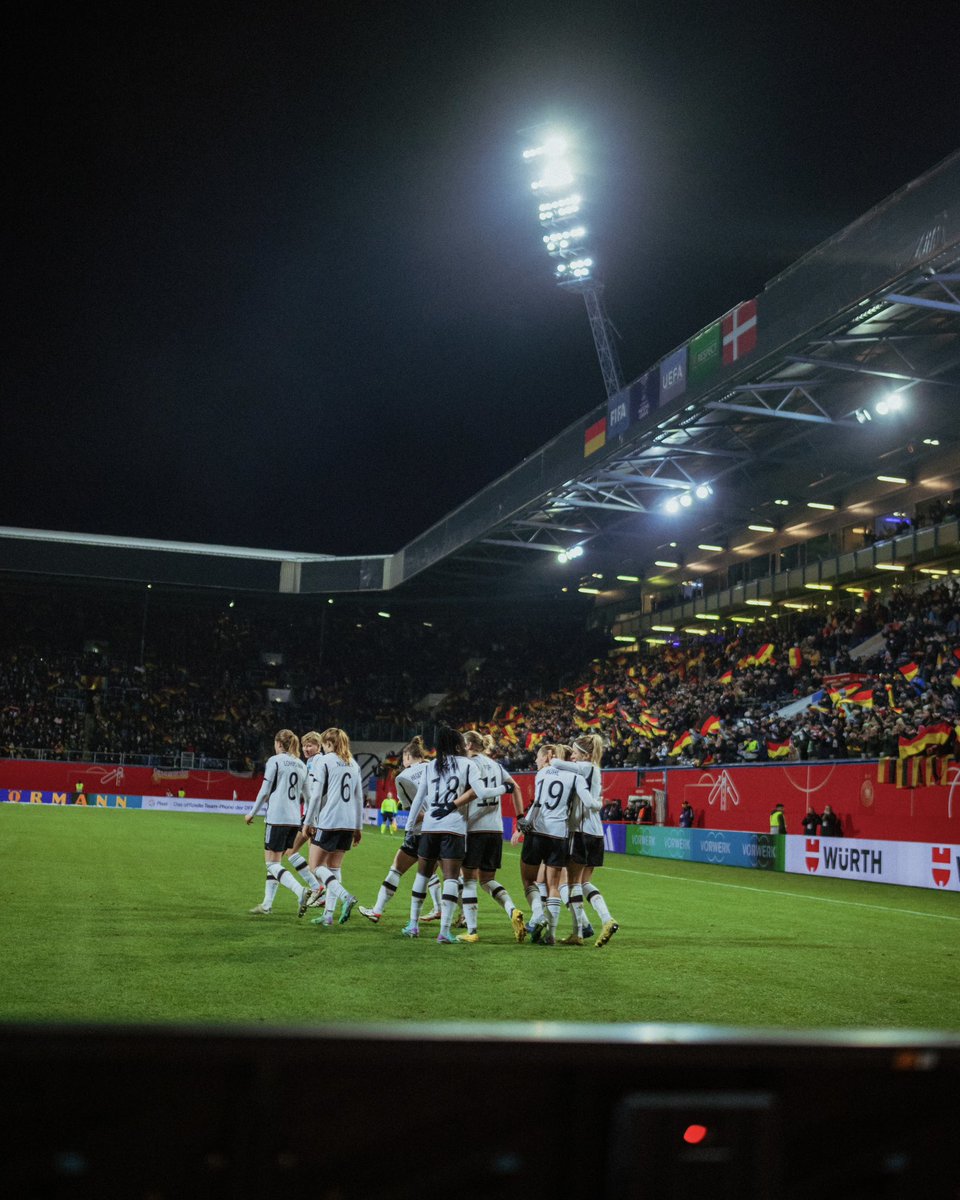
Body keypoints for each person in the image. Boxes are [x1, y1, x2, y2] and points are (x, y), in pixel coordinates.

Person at [401, 726, 510, 945]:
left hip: (431, 827)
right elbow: (481, 792)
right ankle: (444, 931)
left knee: (422, 876)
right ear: (458, 744)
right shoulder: (467, 764)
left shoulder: (430, 766)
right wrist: (504, 789)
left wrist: (409, 829)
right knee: (451, 877)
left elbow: (417, 801)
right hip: (454, 827)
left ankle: (413, 925)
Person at [518, 743, 598, 947]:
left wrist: (521, 827)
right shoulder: (577, 777)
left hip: (537, 830)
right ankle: (551, 935)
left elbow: (537, 803)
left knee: (530, 880)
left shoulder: (543, 773)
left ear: (551, 756)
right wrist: (599, 803)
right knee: (555, 885)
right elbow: (588, 803)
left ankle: (538, 915)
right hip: (559, 834)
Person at [359, 736, 443, 924]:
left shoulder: (403, 777)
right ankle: (451, 912)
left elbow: (408, 807)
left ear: (407, 756)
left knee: (397, 868)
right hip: (443, 829)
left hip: (421, 831)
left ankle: (378, 910)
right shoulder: (435, 767)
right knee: (441, 873)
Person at [548, 733, 619, 948]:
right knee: (584, 882)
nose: (573, 757)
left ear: (585, 754)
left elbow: (555, 762)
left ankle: (578, 932)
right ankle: (606, 919)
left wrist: (556, 758)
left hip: (581, 831)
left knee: (573, 883)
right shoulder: (593, 769)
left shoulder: (586, 767)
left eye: (576, 752)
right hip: (596, 832)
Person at [455, 730, 525, 944]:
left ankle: (472, 930)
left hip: (474, 827)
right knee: (487, 879)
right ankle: (512, 910)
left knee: (468, 879)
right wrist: (520, 818)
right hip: (495, 829)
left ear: (468, 745)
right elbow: (516, 788)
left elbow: (467, 793)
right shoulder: (496, 765)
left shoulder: (467, 765)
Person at [244, 728, 311, 916]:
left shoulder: (275, 761)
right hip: (294, 819)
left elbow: (265, 791)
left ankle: (301, 891)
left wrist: (252, 813)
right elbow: (309, 797)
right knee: (275, 862)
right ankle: (267, 904)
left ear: (279, 744)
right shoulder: (301, 765)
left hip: (277, 817)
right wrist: (309, 820)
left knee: (272, 864)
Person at [302, 727, 363, 928]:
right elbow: (358, 798)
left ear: (328, 744)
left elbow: (316, 795)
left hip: (330, 820)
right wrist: (358, 827)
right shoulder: (353, 763)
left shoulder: (325, 761)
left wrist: (308, 822)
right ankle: (328, 915)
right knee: (334, 867)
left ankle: (346, 897)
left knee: (315, 866)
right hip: (348, 822)